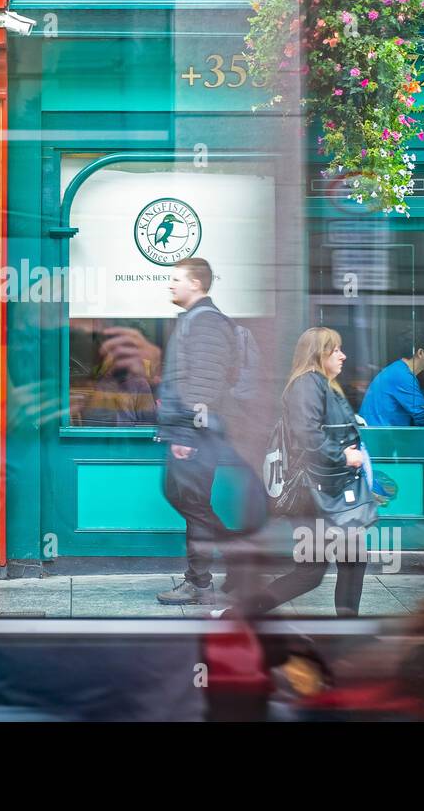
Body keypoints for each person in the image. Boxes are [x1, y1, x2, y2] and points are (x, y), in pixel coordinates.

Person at [252, 327, 368, 617]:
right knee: (311, 571)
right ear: (318, 354)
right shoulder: (307, 384)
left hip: (326, 490)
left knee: (350, 560)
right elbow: (307, 435)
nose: (343, 356)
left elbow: (316, 425)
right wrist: (343, 455)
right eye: (335, 350)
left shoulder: (320, 384)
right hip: (312, 494)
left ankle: (349, 630)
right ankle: (240, 615)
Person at [154, 258, 240, 606]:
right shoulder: (196, 320)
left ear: (197, 284)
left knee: (191, 502)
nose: (170, 284)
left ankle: (199, 582)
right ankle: (236, 556)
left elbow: (205, 383)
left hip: (198, 434)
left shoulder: (205, 323)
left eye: (176, 279)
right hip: (194, 431)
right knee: (184, 498)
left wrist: (187, 435)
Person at [358, 331, 424, 427]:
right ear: (420, 353)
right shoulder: (402, 376)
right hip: (382, 437)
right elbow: (423, 416)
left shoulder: (398, 369)